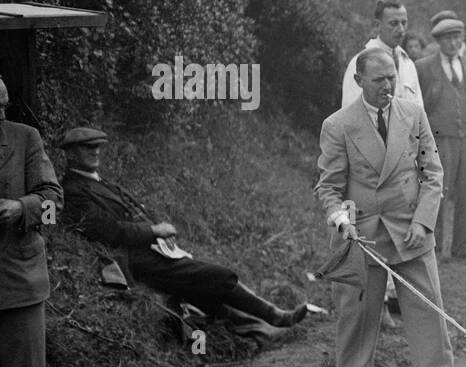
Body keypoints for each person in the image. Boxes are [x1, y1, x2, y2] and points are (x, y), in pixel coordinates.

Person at [316, 47, 466, 367]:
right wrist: (342, 222)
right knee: (356, 319)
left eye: (391, 78)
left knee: (428, 310)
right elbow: (329, 188)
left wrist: (423, 221)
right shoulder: (338, 125)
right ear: (358, 81)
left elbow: (432, 173)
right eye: (378, 80)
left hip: (411, 229)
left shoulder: (413, 114)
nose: (388, 86)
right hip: (362, 237)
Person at [60, 127, 307, 329]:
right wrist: (154, 232)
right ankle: (274, 316)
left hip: (150, 252)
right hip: (133, 261)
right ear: (70, 154)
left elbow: (132, 213)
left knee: (201, 288)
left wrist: (157, 232)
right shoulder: (74, 190)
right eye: (87, 147)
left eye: (97, 146)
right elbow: (108, 230)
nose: (95, 152)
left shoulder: (99, 182)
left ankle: (264, 327)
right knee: (219, 275)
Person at [0, 78, 60, 367]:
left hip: (18, 281)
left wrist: (21, 208)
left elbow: (54, 204)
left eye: (1, 108)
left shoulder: (25, 139)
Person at [415, 17, 466, 260]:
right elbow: (417, 105)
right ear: (438, 41)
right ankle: (433, 246)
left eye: (457, 37)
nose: (453, 42)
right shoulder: (424, 67)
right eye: (447, 38)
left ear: (462, 39)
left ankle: (463, 247)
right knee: (437, 193)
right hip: (439, 140)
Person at [341, 0, 422, 108]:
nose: (401, 29)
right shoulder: (360, 63)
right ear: (378, 25)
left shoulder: (408, 63)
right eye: (394, 23)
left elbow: (419, 109)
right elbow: (350, 111)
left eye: (404, 23)